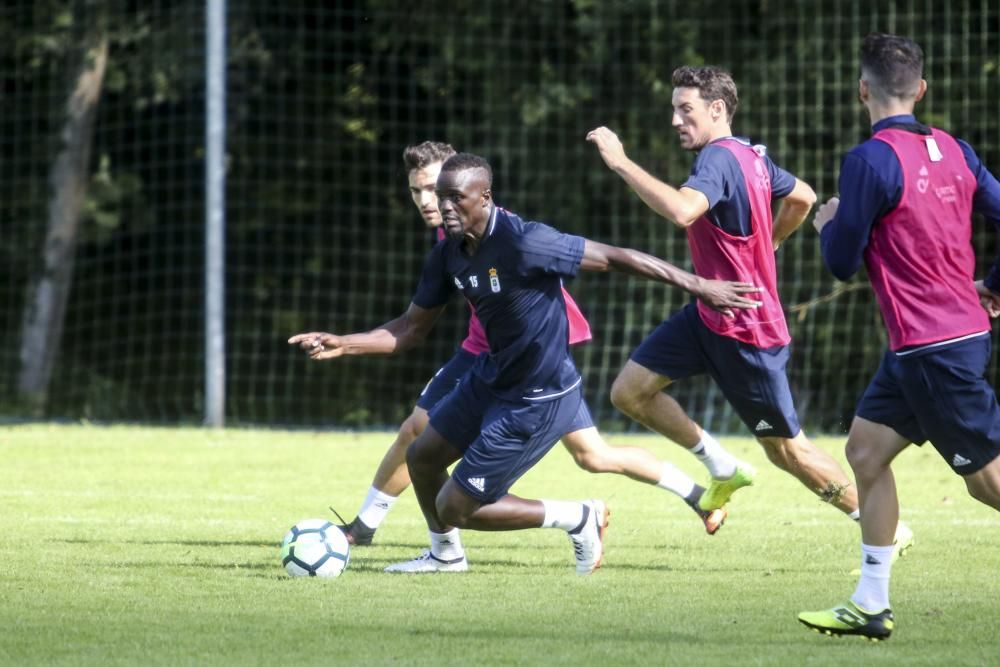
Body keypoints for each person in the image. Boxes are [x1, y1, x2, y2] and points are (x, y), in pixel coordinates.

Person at [291, 153, 764, 574]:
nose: (444, 207)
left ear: (486, 197)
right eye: (439, 197)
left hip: (537, 396)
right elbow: (411, 329)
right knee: (422, 456)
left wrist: (701, 286)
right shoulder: (448, 253)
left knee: (456, 507)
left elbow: (619, 257)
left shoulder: (526, 242)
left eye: (456, 198)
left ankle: (576, 517)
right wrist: (344, 343)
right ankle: (445, 557)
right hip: (491, 377)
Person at [586, 66, 914, 544]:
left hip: (747, 331)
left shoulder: (718, 159)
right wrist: (771, 241)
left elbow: (682, 211)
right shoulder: (750, 155)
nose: (676, 120)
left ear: (717, 110)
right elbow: (802, 197)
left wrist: (620, 162)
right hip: (707, 314)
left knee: (789, 452)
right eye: (674, 109)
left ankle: (883, 527)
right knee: (629, 392)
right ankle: (721, 465)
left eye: (686, 110)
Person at [798, 33, 1000, 641]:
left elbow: (839, 259)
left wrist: (828, 222)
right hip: (929, 346)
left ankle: (871, 602)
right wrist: (993, 282)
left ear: (862, 89)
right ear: (922, 89)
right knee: (864, 452)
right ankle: (870, 603)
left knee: (987, 483)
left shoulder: (869, 160)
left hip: (932, 350)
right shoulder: (956, 149)